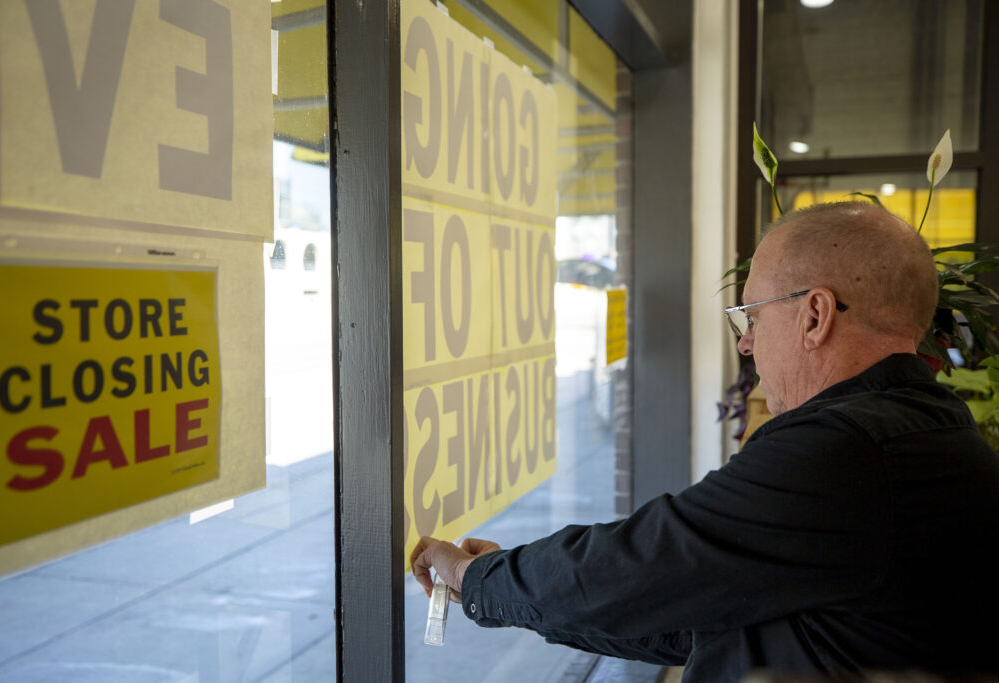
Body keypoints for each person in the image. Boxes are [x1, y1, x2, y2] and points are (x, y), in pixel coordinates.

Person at [410, 202, 999, 681]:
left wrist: (474, 579)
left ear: (815, 316)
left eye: (752, 318)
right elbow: (693, 610)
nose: (745, 346)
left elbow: (641, 563)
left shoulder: (847, 453)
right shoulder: (930, 430)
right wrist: (499, 585)